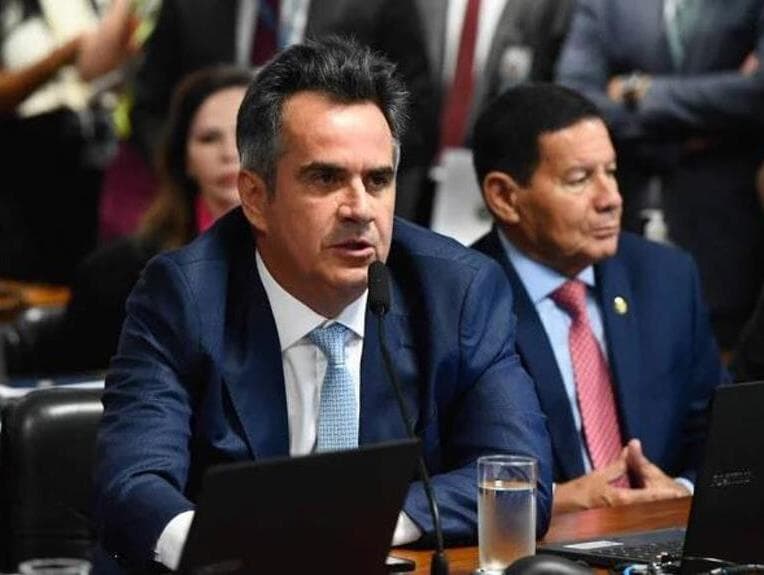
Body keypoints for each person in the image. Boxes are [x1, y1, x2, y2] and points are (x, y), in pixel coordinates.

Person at [92, 37, 553, 572]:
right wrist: (231, 547)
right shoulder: (185, 296)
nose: (360, 208)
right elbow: (132, 484)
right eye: (326, 178)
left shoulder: (457, 291)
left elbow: (517, 479)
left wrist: (353, 524)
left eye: (377, 180)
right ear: (255, 197)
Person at [471, 83, 726, 513]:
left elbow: (721, 436)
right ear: (505, 197)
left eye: (611, 172)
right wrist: (554, 502)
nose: (611, 199)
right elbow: (445, 470)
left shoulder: (666, 277)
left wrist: (681, 491)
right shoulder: (459, 300)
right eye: (580, 179)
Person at [5, 65, 253, 377]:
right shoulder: (117, 277)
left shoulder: (310, 269)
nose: (229, 153)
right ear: (185, 159)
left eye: (245, 134)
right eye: (209, 138)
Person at [554, 0, 764, 352]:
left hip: (726, 239)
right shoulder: (607, 6)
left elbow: (756, 94)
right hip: (619, 227)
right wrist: (702, 122)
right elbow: (574, 100)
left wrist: (638, 90)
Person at [128, 0, 437, 224]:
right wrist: (187, 164)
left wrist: (341, 172)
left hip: (333, 217)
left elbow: (414, 108)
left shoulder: (375, 6)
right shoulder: (189, 6)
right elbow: (149, 107)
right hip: (201, 220)